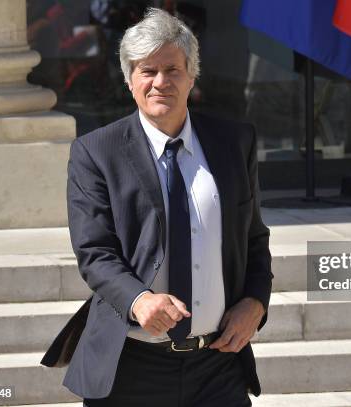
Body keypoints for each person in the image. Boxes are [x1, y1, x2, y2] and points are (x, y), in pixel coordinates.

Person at [41, 7, 273, 407]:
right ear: (130, 79)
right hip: (130, 367)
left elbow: (254, 238)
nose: (160, 82)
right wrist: (140, 299)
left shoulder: (234, 143)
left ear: (192, 74)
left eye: (172, 69)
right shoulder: (96, 153)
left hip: (217, 365)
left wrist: (256, 301)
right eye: (147, 71)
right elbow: (95, 253)